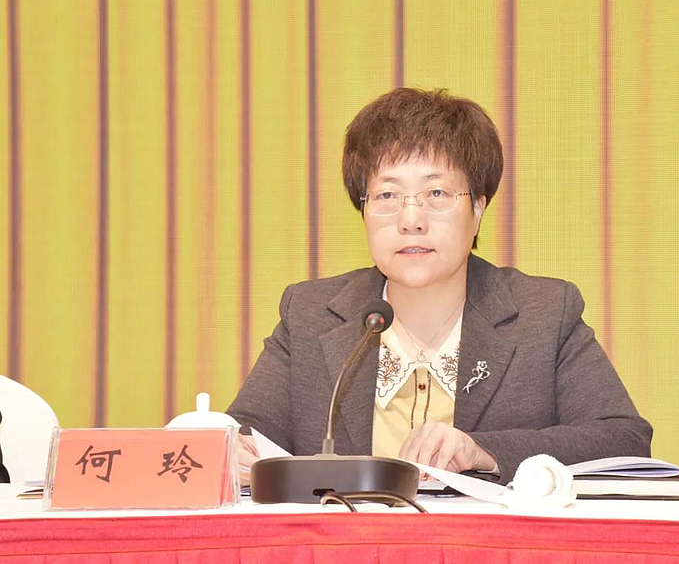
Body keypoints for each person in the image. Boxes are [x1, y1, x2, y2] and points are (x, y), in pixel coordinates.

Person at [227, 87, 652, 484]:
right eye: (387, 196)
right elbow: (244, 433)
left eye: (436, 193)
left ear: (478, 209)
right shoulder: (310, 313)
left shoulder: (543, 313)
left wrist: (483, 451)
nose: (411, 220)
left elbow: (625, 441)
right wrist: (231, 451)